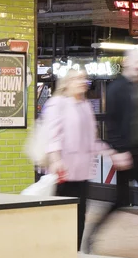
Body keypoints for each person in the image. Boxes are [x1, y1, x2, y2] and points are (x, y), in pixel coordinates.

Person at [83, 46, 138, 258]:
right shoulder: (117, 88)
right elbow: (111, 123)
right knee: (120, 201)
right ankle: (92, 234)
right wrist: (118, 151)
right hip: (128, 153)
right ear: (128, 62)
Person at [37, 66, 107, 246]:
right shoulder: (57, 103)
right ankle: (57, 251)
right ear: (67, 83)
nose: (82, 82)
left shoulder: (85, 105)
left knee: (79, 214)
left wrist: (109, 151)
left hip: (82, 172)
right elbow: (53, 135)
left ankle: (74, 254)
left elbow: (91, 137)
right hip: (63, 172)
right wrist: (56, 160)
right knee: (61, 214)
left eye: (84, 78)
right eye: (77, 78)